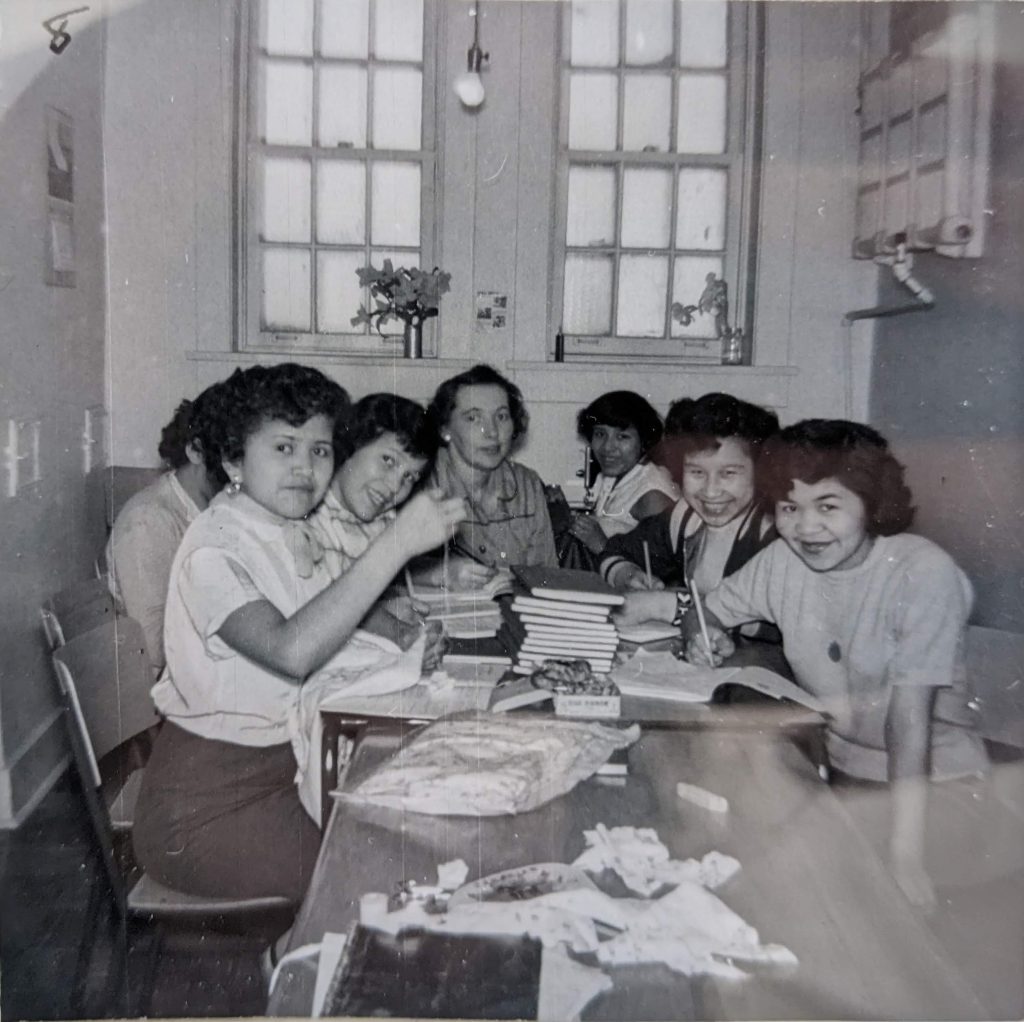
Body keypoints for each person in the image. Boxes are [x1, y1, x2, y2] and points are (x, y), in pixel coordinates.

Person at [618, 420, 988, 906]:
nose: (806, 527)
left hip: (939, 791)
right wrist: (706, 637)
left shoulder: (922, 572)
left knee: (820, 882)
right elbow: (706, 609)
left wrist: (904, 853)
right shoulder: (784, 561)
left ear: (872, 503)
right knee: (707, 827)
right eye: (790, 508)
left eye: (828, 506)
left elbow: (907, 720)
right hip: (841, 775)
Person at [132, 364, 466, 902]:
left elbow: (336, 609)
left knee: (418, 834)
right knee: (385, 875)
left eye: (320, 450)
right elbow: (290, 649)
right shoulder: (213, 549)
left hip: (282, 771)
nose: (305, 468)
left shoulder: (280, 528)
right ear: (233, 458)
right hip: (205, 808)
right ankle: (286, 961)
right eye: (284, 448)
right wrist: (398, 542)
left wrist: (407, 640)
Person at [600, 393, 779, 595]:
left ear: (758, 472)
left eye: (728, 473)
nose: (710, 491)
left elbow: (758, 622)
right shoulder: (685, 517)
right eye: (696, 472)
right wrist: (627, 574)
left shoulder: (773, 533)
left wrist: (674, 608)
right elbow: (617, 549)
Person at [106, 385, 227, 671]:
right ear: (196, 451)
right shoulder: (148, 522)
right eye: (232, 457)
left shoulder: (214, 510)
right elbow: (154, 647)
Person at [424, 364, 557, 576]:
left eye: (502, 416)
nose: (492, 431)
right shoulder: (422, 483)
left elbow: (545, 577)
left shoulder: (527, 485)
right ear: (445, 428)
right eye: (474, 418)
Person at [569, 391, 679, 557]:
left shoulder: (652, 496)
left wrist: (602, 546)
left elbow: (668, 568)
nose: (607, 447)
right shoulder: (612, 477)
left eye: (622, 437)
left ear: (644, 440)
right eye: (600, 434)